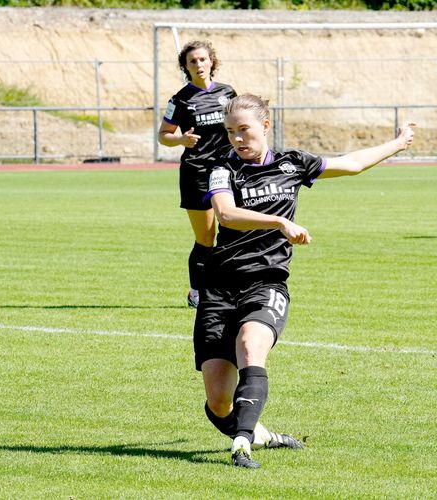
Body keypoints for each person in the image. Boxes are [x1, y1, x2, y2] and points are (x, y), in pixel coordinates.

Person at [195, 93, 415, 468]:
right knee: (218, 402)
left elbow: (351, 164)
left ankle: (242, 445)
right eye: (231, 132)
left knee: (251, 344)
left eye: (244, 130)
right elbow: (226, 214)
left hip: (266, 281)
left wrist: (397, 143)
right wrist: (280, 222)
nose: (237, 139)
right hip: (219, 286)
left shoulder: (292, 163)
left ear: (265, 126)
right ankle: (262, 435)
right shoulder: (223, 169)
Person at [158, 40, 237, 307]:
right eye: (193, 61)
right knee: (206, 238)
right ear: (186, 67)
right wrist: (180, 140)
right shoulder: (180, 99)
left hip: (228, 172)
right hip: (197, 173)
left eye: (203, 59)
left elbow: (240, 125)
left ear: (212, 62)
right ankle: (196, 293)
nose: (199, 65)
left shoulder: (228, 93)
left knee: (234, 230)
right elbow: (163, 135)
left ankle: (227, 287)